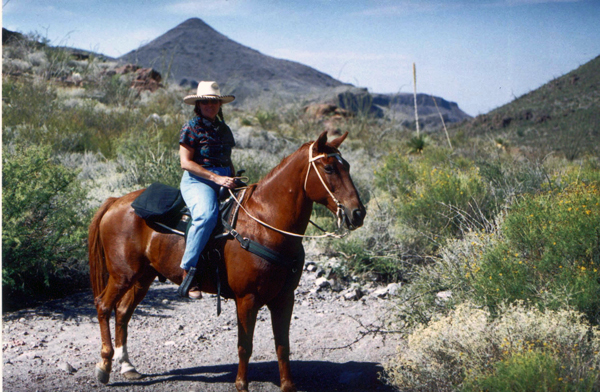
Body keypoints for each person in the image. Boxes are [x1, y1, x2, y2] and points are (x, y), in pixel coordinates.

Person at [178, 81, 237, 299]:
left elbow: (228, 159)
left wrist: (231, 178)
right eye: (205, 102)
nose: (209, 106)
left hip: (223, 177)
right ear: (198, 104)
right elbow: (186, 162)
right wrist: (216, 178)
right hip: (197, 180)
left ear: (219, 105)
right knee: (205, 216)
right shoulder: (191, 127)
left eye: (214, 102)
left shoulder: (224, 129)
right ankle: (188, 271)